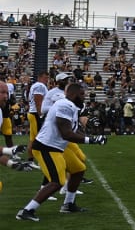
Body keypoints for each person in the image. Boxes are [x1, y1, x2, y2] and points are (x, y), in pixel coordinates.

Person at [17, 83, 106, 221]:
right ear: (72, 94)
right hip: (46, 147)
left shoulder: (72, 106)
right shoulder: (64, 105)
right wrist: (92, 140)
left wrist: (87, 126)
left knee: (78, 169)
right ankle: (27, 210)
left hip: (58, 147)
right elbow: (66, 134)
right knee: (57, 181)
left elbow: (73, 130)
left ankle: (68, 204)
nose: (84, 97)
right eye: (82, 94)